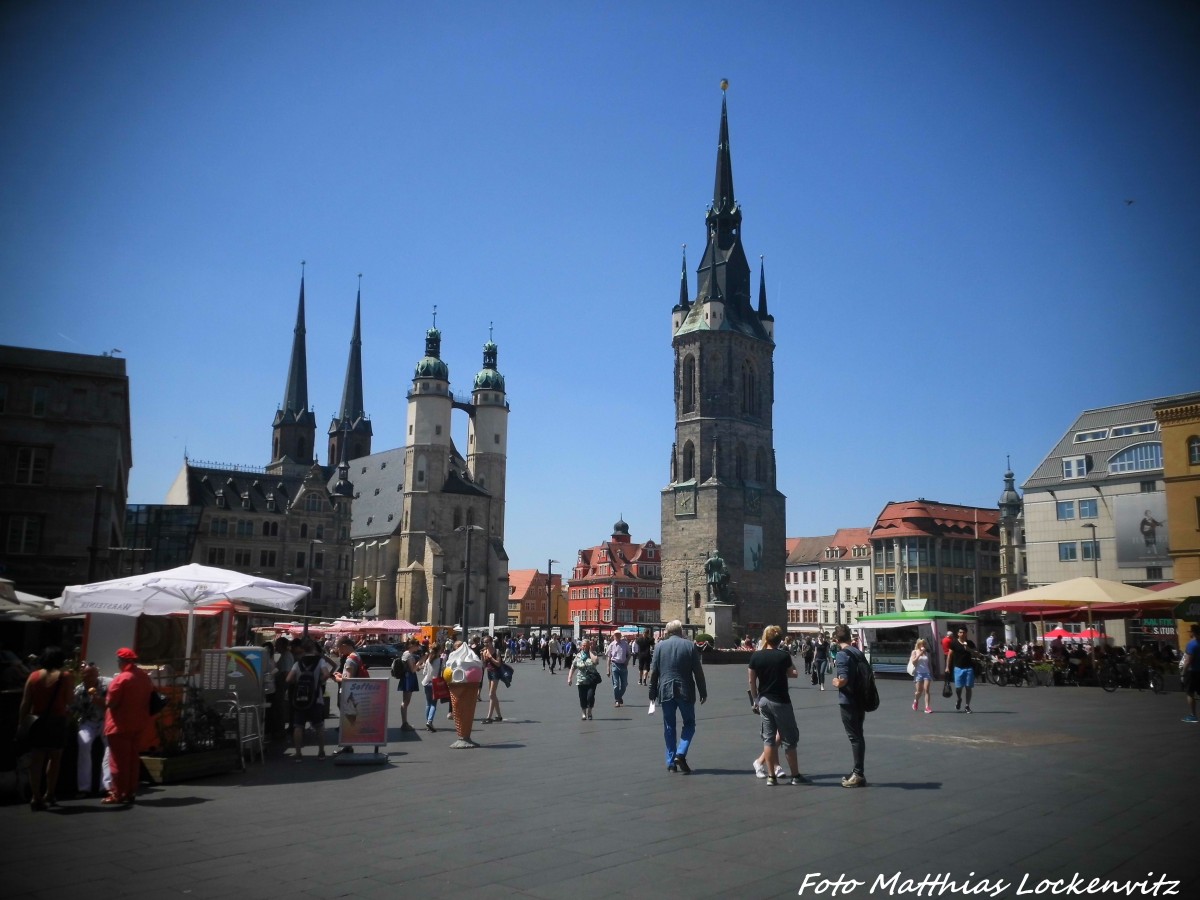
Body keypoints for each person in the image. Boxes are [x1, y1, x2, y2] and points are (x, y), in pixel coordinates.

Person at [747, 625, 811, 786]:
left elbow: (751, 680)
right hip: (781, 700)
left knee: (768, 739)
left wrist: (755, 699)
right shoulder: (783, 656)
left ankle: (771, 776)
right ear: (779, 640)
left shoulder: (756, 656)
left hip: (764, 700)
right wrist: (789, 664)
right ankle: (795, 776)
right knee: (789, 739)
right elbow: (793, 674)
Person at [18, 646, 74, 810]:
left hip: (37, 721)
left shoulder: (33, 676)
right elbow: (70, 700)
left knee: (36, 760)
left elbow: (25, 703)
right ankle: (49, 793)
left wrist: (21, 723)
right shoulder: (65, 677)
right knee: (54, 759)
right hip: (57, 721)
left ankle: (35, 796)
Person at [649, 619, 707, 774]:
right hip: (685, 690)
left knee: (669, 726)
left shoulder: (659, 647)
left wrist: (652, 692)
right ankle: (681, 752)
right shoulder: (689, 646)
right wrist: (703, 691)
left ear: (668, 632)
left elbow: (654, 672)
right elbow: (698, 672)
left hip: (666, 690)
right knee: (689, 723)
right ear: (681, 631)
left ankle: (670, 762)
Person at [103, 647, 152, 805]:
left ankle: (118, 793)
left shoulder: (121, 679)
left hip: (119, 725)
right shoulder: (143, 677)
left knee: (117, 761)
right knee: (132, 760)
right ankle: (130, 791)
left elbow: (111, 703)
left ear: (121, 661)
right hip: (138, 724)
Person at [830, 624, 867, 788]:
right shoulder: (857, 652)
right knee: (859, 734)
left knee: (854, 737)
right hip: (860, 698)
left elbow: (843, 679)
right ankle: (858, 771)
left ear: (836, 639)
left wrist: (836, 682)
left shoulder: (842, 654)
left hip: (848, 700)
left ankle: (858, 774)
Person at [69, 661, 112, 797]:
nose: (90, 678)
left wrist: (101, 702)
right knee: (84, 744)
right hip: (88, 721)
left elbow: (115, 705)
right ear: (83, 676)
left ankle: (106, 786)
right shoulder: (79, 690)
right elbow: (72, 709)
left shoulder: (108, 684)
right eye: (87, 675)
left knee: (109, 746)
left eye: (93, 674)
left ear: (97, 674)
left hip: (105, 720)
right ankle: (84, 788)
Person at [287, 639, 333, 759]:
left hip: (300, 699)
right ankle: (321, 752)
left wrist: (298, 683)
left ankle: (298, 754)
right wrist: (318, 682)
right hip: (316, 698)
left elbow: (288, 679)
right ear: (313, 648)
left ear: (302, 649)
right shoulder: (320, 661)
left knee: (298, 726)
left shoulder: (298, 663)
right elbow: (326, 674)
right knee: (319, 726)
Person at [332, 637, 366, 754]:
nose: (339, 651)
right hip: (355, 693)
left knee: (347, 720)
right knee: (349, 720)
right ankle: (348, 745)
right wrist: (342, 675)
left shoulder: (350, 660)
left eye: (339, 648)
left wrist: (337, 678)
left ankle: (347, 745)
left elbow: (348, 681)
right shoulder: (356, 656)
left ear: (344, 646)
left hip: (349, 693)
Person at [567, 638, 602, 720]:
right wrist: (569, 678)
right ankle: (583, 712)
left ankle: (589, 711)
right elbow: (573, 667)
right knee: (582, 697)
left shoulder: (593, 654)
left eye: (586, 645)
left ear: (589, 646)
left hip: (591, 679)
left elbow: (596, 661)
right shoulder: (578, 656)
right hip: (581, 680)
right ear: (581, 646)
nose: (584, 647)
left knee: (590, 696)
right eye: (583, 645)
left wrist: (590, 651)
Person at [945, 627, 977, 713]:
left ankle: (967, 706)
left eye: (964, 632)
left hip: (969, 668)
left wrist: (968, 649)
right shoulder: (954, 643)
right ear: (958, 633)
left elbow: (976, 653)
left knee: (968, 687)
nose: (962, 634)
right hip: (958, 668)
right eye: (960, 632)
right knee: (958, 688)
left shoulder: (970, 643)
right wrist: (947, 667)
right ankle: (959, 699)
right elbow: (949, 655)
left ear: (966, 633)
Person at [398, 637, 421, 732]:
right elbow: (413, 669)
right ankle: (404, 723)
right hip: (408, 678)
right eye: (417, 645)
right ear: (412, 645)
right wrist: (420, 662)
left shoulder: (406, 654)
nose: (418, 647)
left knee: (406, 701)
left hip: (407, 677)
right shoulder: (409, 655)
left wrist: (417, 666)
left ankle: (404, 722)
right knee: (406, 701)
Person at [481, 635, 505, 724]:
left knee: (491, 694)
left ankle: (489, 717)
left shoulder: (496, 651)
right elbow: (484, 665)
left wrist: (490, 657)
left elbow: (498, 664)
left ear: (491, 642)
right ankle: (499, 716)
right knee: (493, 695)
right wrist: (482, 657)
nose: (485, 644)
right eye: (484, 642)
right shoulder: (485, 651)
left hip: (496, 673)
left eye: (487, 642)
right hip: (489, 673)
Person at [606, 631, 631, 708]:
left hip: (623, 666)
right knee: (616, 684)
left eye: (618, 635)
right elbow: (608, 657)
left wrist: (627, 661)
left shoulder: (625, 644)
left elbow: (629, 654)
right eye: (615, 635)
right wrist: (608, 669)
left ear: (620, 635)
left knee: (624, 684)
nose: (617, 636)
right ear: (614, 636)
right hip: (615, 665)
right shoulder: (612, 645)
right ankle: (617, 700)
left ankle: (619, 696)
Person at [909, 639, 934, 714]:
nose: (923, 645)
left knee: (926, 690)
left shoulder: (926, 653)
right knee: (919, 691)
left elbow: (929, 664)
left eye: (924, 644)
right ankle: (916, 701)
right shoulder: (914, 652)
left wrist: (932, 674)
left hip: (926, 673)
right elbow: (913, 662)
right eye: (921, 644)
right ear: (918, 645)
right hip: (918, 673)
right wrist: (920, 654)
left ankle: (927, 707)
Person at [1181, 624, 1199, 724]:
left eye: (1190, 631)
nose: (1189, 633)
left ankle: (1193, 715)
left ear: (1193, 632)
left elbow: (1187, 661)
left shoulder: (1192, 644)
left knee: (1190, 693)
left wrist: (1183, 674)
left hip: (1192, 672)